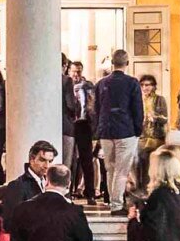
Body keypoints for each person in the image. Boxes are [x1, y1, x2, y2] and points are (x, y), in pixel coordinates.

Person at [94, 49, 146, 210]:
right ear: (127, 63)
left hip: (106, 130)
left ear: (112, 63)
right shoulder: (132, 83)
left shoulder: (101, 83)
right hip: (125, 130)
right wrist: (138, 130)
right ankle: (117, 204)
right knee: (122, 170)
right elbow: (137, 109)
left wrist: (98, 130)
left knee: (110, 168)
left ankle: (112, 201)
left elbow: (96, 108)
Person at [64, 61, 100, 203]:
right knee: (70, 160)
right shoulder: (67, 85)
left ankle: (90, 192)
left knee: (87, 159)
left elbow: (93, 105)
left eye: (79, 71)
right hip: (70, 124)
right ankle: (68, 191)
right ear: (69, 71)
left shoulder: (88, 86)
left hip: (84, 124)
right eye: (74, 71)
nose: (76, 74)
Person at [139, 75, 168, 153]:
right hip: (142, 137)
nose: (144, 88)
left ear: (153, 86)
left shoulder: (160, 99)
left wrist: (154, 117)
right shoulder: (138, 100)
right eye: (142, 85)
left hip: (157, 137)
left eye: (147, 85)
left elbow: (165, 119)